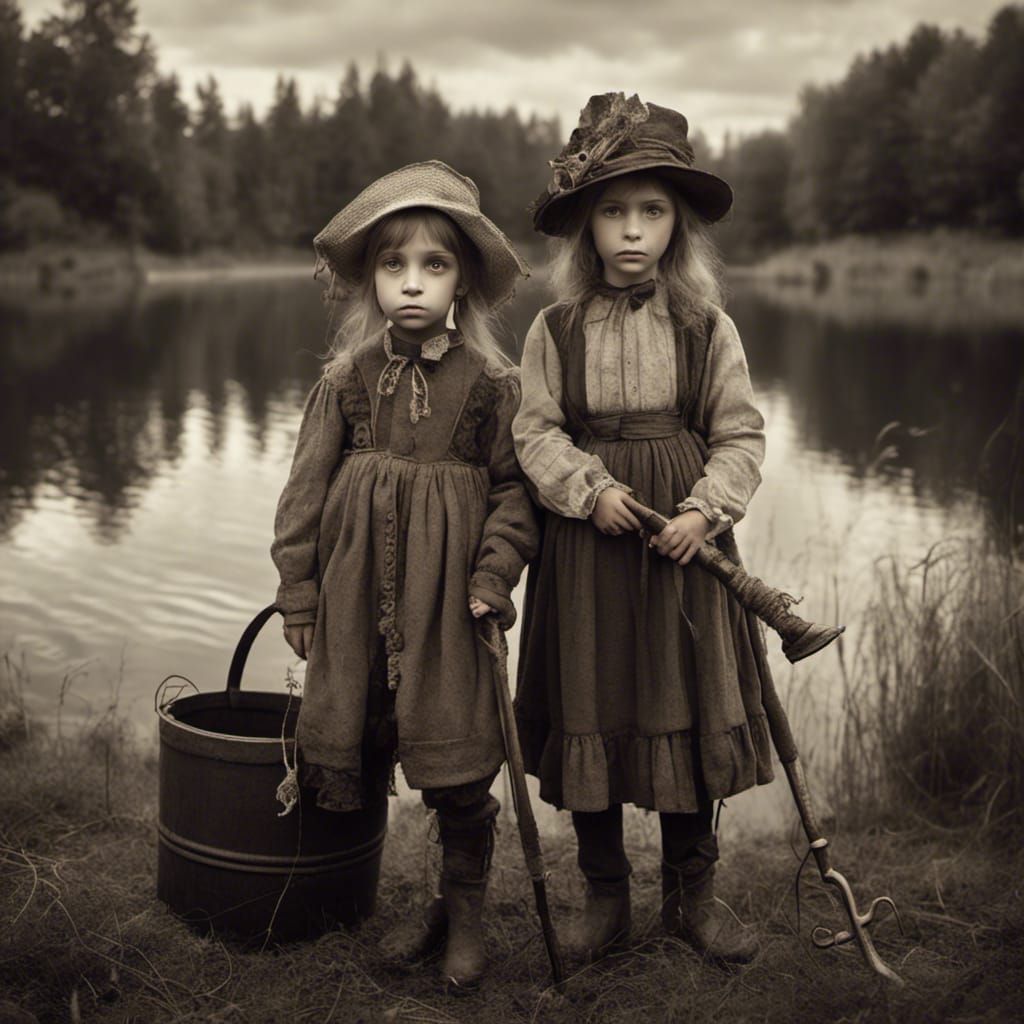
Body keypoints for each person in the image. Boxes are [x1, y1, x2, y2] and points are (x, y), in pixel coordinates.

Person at [513, 93, 772, 965]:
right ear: (585, 227)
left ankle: (693, 896)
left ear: (678, 226)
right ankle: (605, 897)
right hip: (588, 548)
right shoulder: (554, 329)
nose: (632, 231)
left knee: (686, 701)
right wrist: (586, 489)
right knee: (590, 697)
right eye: (613, 212)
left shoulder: (706, 328)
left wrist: (704, 509)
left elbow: (740, 434)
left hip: (684, 551)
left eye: (652, 212)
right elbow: (535, 431)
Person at [271, 161, 538, 991]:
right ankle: (397, 901)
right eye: (394, 266)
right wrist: (300, 587)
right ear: (371, 281)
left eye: (434, 266)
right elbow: (304, 493)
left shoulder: (495, 388)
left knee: (454, 766)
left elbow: (515, 495)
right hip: (355, 602)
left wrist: (494, 577)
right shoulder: (346, 381)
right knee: (370, 734)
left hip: (449, 609)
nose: (412, 284)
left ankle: (464, 918)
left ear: (463, 281)